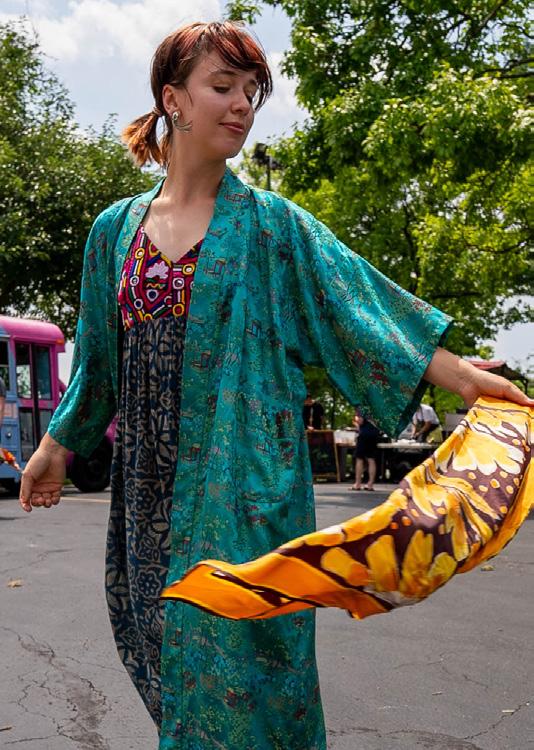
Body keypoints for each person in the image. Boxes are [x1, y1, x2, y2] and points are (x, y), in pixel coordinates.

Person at [18, 20, 533, 750]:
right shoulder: (114, 232)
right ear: (173, 99)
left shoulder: (273, 227)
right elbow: (99, 359)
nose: (241, 106)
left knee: (248, 677)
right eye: (222, 87)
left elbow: (360, 313)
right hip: (149, 499)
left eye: (250, 92)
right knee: (171, 667)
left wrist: (466, 380)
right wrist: (54, 449)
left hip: (246, 494)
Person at [350, 411, 381, 491]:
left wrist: (356, 420)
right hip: (374, 434)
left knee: (359, 458)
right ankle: (370, 484)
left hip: (364, 434)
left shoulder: (362, 407)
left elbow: (360, 421)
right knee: (371, 459)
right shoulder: (376, 408)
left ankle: (357, 484)